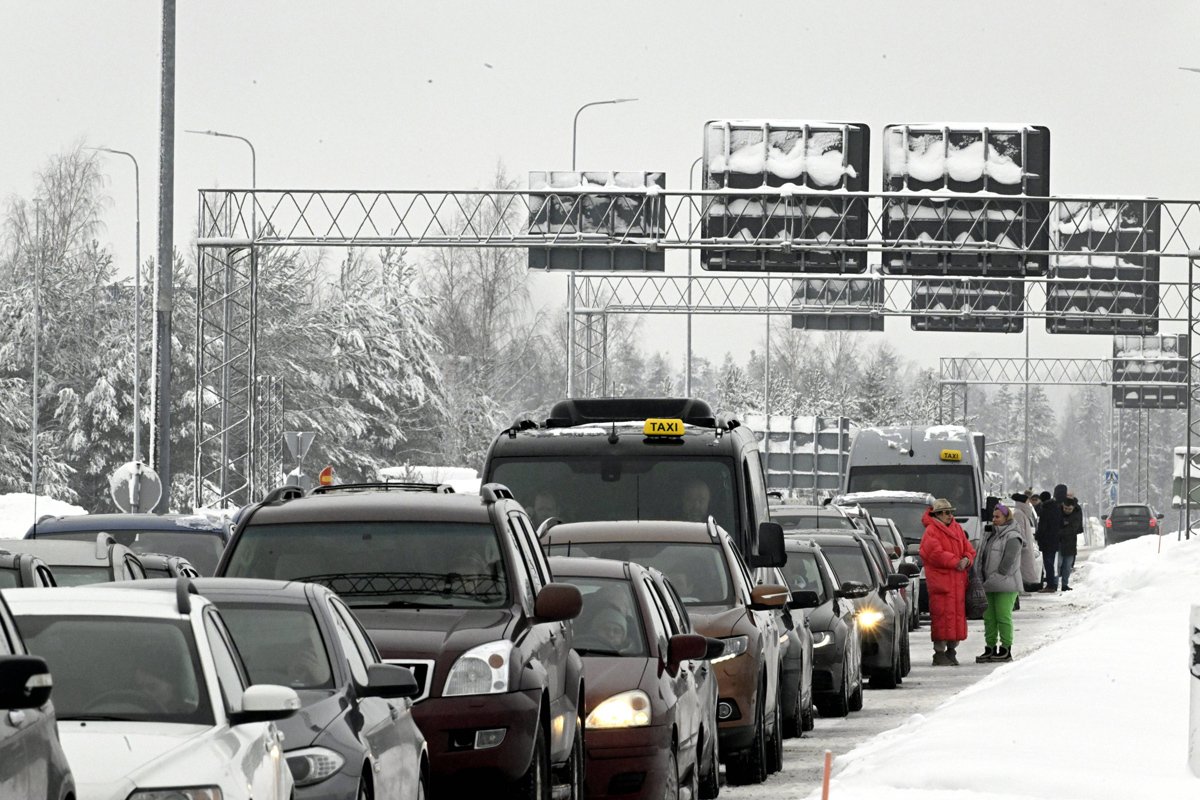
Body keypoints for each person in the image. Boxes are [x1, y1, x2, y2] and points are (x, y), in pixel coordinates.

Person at [919, 498, 976, 666]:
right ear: (937, 514)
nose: (949, 515)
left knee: (956, 617)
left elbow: (969, 549)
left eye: (950, 512)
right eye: (945, 512)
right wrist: (956, 562)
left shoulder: (957, 528)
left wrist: (967, 559)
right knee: (942, 617)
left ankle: (952, 650)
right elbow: (933, 553)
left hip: (957, 582)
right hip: (942, 583)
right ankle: (939, 652)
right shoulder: (931, 531)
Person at [975, 502, 1025, 662]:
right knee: (989, 618)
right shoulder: (990, 535)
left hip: (1006, 583)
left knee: (1003, 617)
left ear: (1006, 517)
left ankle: (1005, 648)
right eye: (993, 516)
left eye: (997, 517)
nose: (994, 519)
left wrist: (996, 577)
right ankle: (990, 647)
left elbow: (1008, 561)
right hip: (989, 583)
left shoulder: (1013, 536)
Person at [1035, 485, 1067, 592]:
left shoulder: (1045, 510)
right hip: (1054, 540)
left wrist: (1038, 536)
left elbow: (1042, 527)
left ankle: (1050, 585)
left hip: (1046, 541)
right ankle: (1052, 584)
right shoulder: (1056, 508)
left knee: (1048, 563)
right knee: (1051, 563)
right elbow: (1061, 524)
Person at [1010, 492, 1042, 594]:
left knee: (1024, 568)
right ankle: (1020, 589)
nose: (1029, 503)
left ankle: (1022, 588)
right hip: (1023, 547)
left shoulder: (1021, 513)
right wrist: (1024, 544)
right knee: (1021, 568)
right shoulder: (1018, 514)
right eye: (1028, 501)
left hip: (1025, 546)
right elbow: (1020, 530)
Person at [1058, 494, 1083, 591]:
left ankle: (1064, 584)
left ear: (1073, 508)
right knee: (1058, 564)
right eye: (1065, 508)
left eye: (1069, 509)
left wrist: (1061, 530)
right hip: (1058, 543)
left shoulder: (1076, 514)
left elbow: (1073, 528)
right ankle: (1055, 584)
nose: (1067, 510)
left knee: (1067, 566)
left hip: (1070, 543)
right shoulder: (1058, 512)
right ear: (1062, 505)